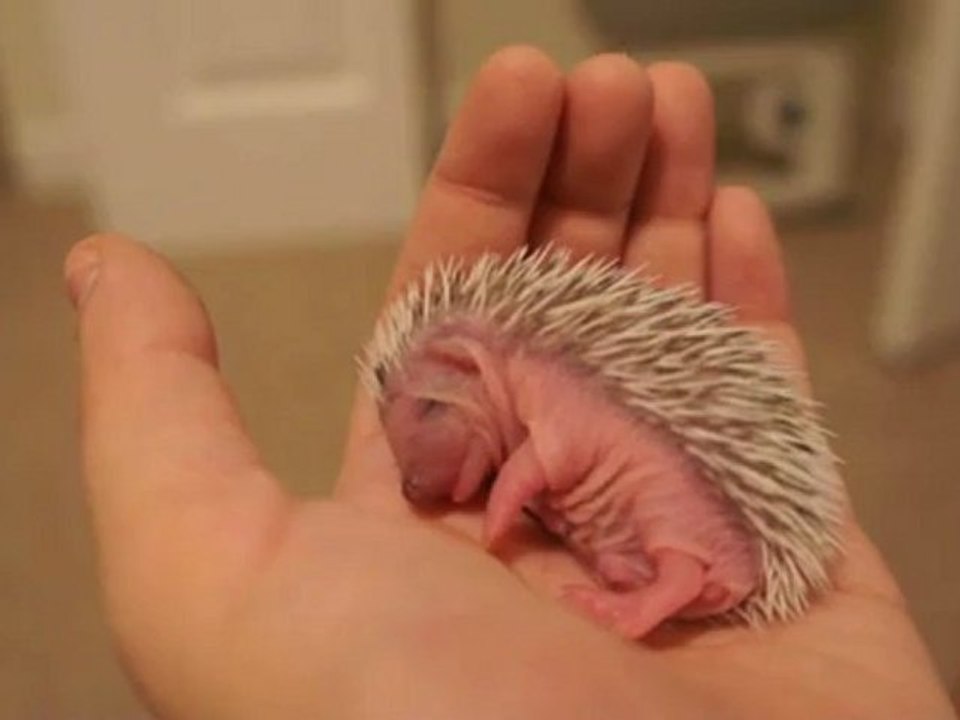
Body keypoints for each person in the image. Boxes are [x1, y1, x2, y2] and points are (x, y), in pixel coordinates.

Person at [63, 47, 954, 719]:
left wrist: (497, 518)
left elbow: (538, 467)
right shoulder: (521, 390)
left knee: (665, 530)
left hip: (688, 546)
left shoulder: (553, 393)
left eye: (424, 432)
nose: (417, 482)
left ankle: (668, 587)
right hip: (677, 550)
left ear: (460, 372)